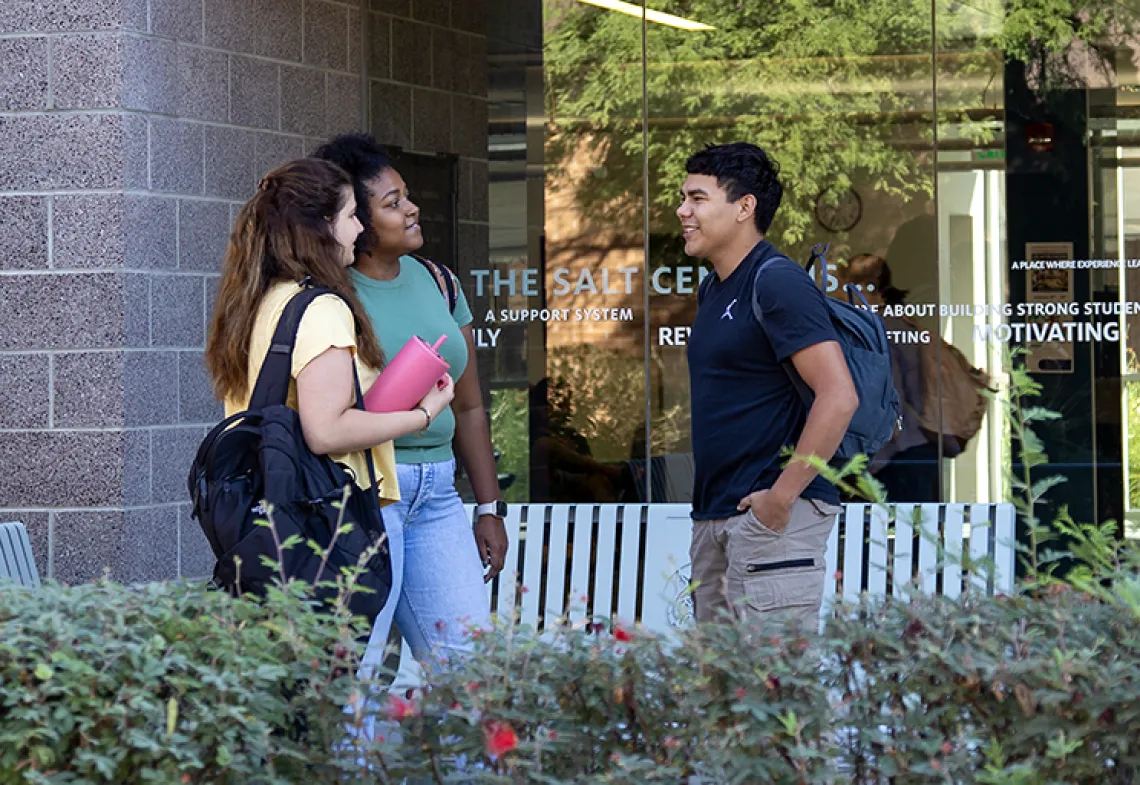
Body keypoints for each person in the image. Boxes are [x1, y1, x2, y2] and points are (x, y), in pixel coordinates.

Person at [204, 158, 455, 622]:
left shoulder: (259, 301)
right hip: (331, 518)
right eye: (350, 216)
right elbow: (326, 430)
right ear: (321, 226)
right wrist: (424, 415)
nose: (360, 229)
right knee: (346, 671)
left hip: (268, 520)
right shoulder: (322, 309)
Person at [312, 134, 508, 669]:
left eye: (407, 196)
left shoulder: (440, 283)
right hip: (370, 492)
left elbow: (468, 407)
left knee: (471, 670)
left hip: (439, 498)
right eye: (392, 203)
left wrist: (488, 509)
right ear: (357, 222)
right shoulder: (329, 295)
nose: (411, 208)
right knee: (359, 671)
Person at [680, 142, 858, 631]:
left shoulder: (776, 281)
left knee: (775, 695)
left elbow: (839, 396)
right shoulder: (715, 287)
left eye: (697, 198)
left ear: (744, 207)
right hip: (717, 516)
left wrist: (779, 500)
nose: (682, 211)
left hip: (771, 520)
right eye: (683, 198)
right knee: (723, 697)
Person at [839, 253, 989, 502]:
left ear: (862, 289)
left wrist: (873, 461)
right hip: (921, 448)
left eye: (845, 287)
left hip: (898, 456)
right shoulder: (904, 325)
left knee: (896, 533)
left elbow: (888, 402)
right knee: (921, 532)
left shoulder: (876, 330)